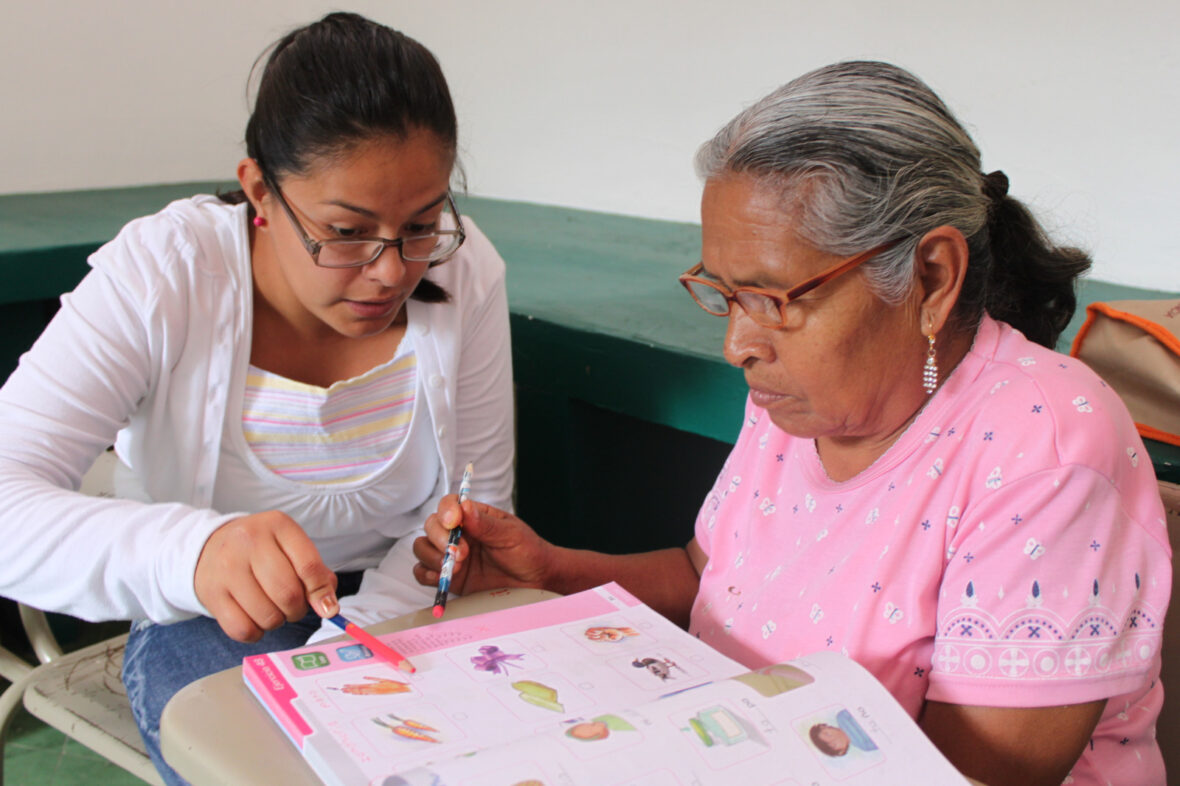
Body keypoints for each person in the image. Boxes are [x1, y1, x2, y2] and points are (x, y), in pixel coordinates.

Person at [413, 61, 1170, 786]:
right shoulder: (798, 400)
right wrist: (554, 574)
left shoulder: (1048, 451)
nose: (737, 343)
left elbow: (965, 777)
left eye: (773, 299)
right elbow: (712, 578)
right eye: (726, 294)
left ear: (930, 278)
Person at [0, 12, 514, 784]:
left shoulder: (467, 273)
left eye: (420, 225)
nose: (389, 271)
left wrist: (355, 644)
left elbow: (471, 508)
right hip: (206, 621)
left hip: (404, 609)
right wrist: (194, 551)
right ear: (260, 193)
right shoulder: (166, 272)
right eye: (345, 231)